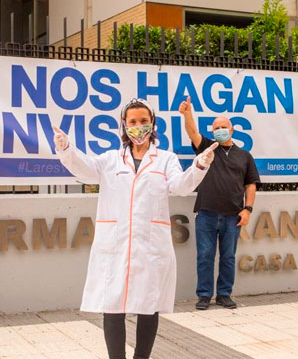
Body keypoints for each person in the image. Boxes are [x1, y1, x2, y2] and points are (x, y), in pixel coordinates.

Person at [53, 98, 217, 359]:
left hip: (150, 245)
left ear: (152, 124)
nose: (138, 127)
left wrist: (199, 165)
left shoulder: (165, 159)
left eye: (143, 121)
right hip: (115, 244)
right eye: (133, 122)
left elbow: (181, 186)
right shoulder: (110, 159)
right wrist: (66, 150)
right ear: (124, 125)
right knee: (112, 305)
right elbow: (84, 170)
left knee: (148, 305)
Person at [178, 96, 260, 310]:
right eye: (216, 128)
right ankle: (204, 296)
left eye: (223, 127)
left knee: (228, 257)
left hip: (233, 215)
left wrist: (248, 209)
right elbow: (192, 132)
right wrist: (188, 114)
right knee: (205, 256)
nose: (220, 130)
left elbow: (250, 185)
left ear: (232, 130)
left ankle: (224, 295)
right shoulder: (207, 148)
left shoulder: (244, 156)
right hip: (206, 213)